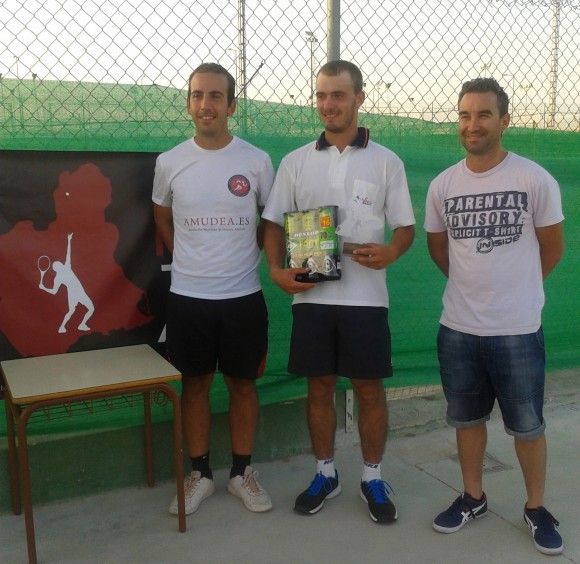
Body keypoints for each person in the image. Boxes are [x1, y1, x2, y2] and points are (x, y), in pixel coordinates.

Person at [262, 60, 415, 524]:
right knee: (318, 388)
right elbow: (271, 223)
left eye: (338, 95)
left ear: (359, 98)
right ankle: (325, 472)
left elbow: (406, 228)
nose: (328, 104)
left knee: (369, 390)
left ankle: (372, 476)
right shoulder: (294, 161)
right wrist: (274, 271)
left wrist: (391, 250)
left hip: (366, 301)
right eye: (322, 96)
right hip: (311, 299)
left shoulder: (387, 161)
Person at [424, 78, 564, 555]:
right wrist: (472, 287)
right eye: (465, 115)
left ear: (504, 120)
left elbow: (552, 249)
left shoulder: (533, 179)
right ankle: (473, 497)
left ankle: (536, 507)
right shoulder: (443, 185)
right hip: (458, 329)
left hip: (517, 331)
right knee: (466, 420)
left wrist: (517, 290)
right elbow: (439, 250)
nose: (472, 124)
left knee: (527, 426)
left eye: (484, 114)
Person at [152, 63, 274, 516]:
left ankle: (242, 474)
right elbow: (161, 218)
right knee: (196, 386)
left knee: (243, 386)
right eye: (198, 95)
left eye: (216, 96)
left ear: (231, 105)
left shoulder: (257, 160)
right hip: (187, 299)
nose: (206, 104)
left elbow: (270, 220)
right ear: (189, 104)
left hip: (243, 298)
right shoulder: (170, 162)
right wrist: (192, 259)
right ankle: (199, 474)